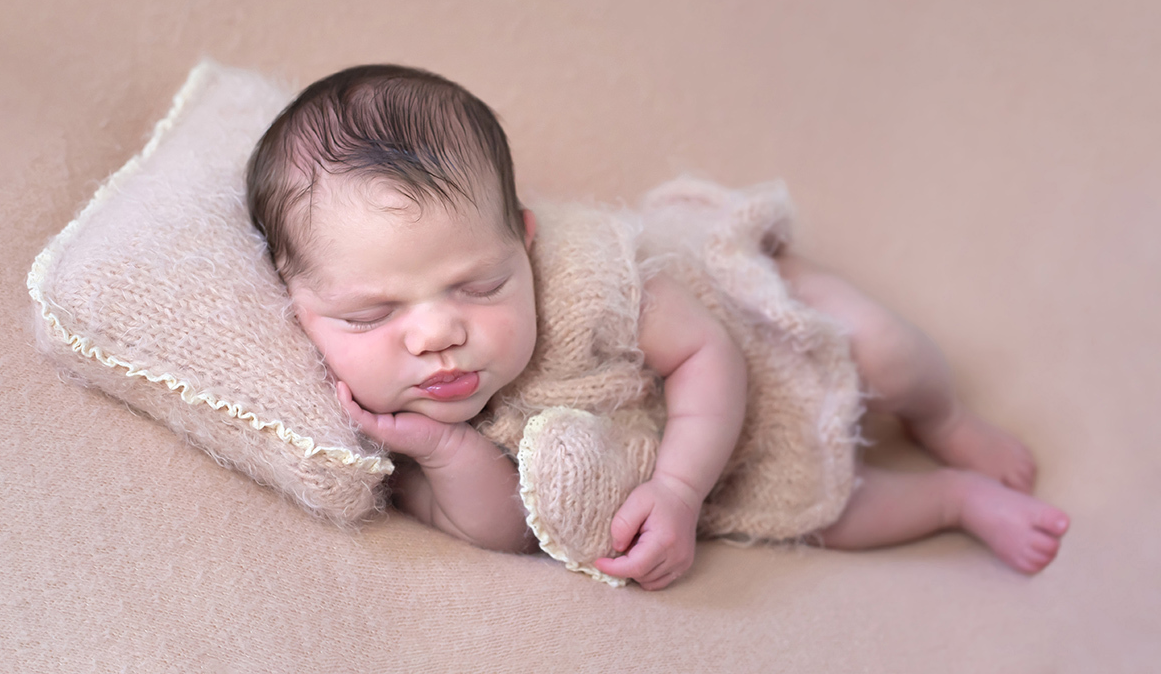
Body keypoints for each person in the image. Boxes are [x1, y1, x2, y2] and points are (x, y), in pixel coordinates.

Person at [246, 64, 1069, 590]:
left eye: (479, 284)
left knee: (884, 352)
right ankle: (956, 500)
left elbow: (708, 348)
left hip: (750, 334)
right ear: (297, 304)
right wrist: (447, 451)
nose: (435, 335)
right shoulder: (385, 422)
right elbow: (503, 530)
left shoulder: (585, 283)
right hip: (707, 449)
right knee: (825, 514)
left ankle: (945, 419)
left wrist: (677, 487)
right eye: (370, 314)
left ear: (525, 242)